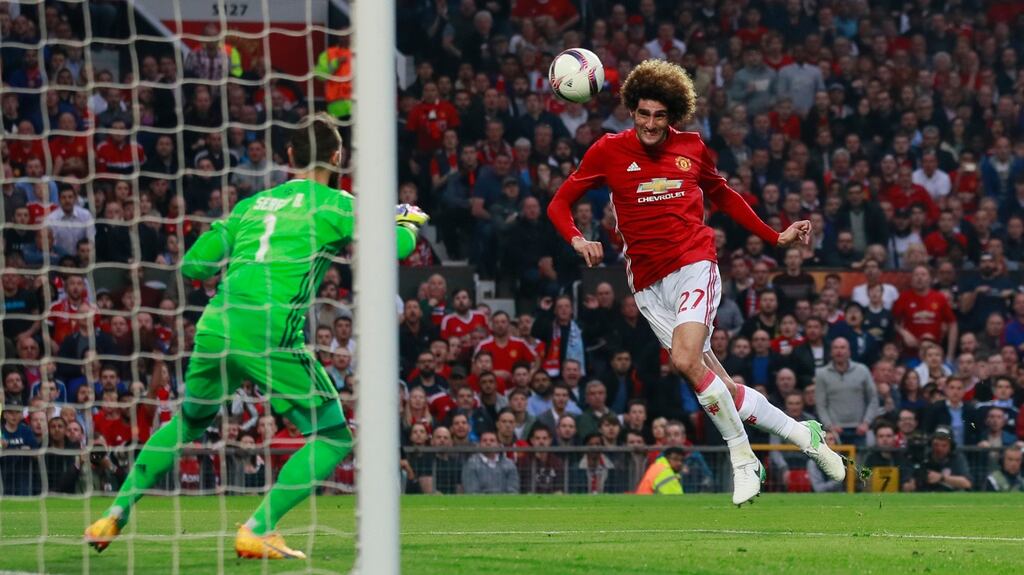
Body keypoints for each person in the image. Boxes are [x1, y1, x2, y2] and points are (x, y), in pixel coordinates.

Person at [85, 114, 429, 559]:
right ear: (338, 156)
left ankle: (114, 512)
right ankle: (258, 527)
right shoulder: (338, 204)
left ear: (288, 156)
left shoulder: (252, 205)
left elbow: (192, 267)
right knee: (334, 437)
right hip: (270, 330)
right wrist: (407, 225)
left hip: (217, 325)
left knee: (188, 423)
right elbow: (393, 252)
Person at [547, 59, 844, 506]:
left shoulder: (692, 148)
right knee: (716, 382)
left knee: (686, 360)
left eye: (660, 116)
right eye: (643, 114)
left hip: (694, 262)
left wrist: (774, 235)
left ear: (674, 116)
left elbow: (723, 195)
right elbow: (559, 204)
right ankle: (805, 434)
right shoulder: (607, 150)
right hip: (646, 284)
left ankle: (743, 459)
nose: (650, 123)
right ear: (632, 110)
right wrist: (577, 239)